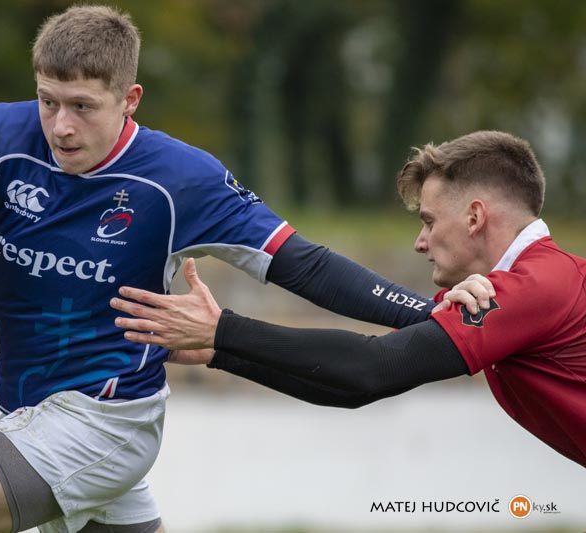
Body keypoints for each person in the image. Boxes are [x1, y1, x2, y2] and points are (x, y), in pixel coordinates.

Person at [0, 5, 458, 532]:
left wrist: (434, 315)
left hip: (104, 422)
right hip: (25, 411)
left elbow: (309, 267)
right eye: (48, 101)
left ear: (129, 100)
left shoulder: (181, 179)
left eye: (83, 106)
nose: (61, 126)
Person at [111, 130, 586, 469]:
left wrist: (225, 330)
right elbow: (349, 390)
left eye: (427, 221)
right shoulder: (520, 286)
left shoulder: (535, 286)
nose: (420, 243)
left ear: (475, 216)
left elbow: (368, 370)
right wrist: (221, 353)